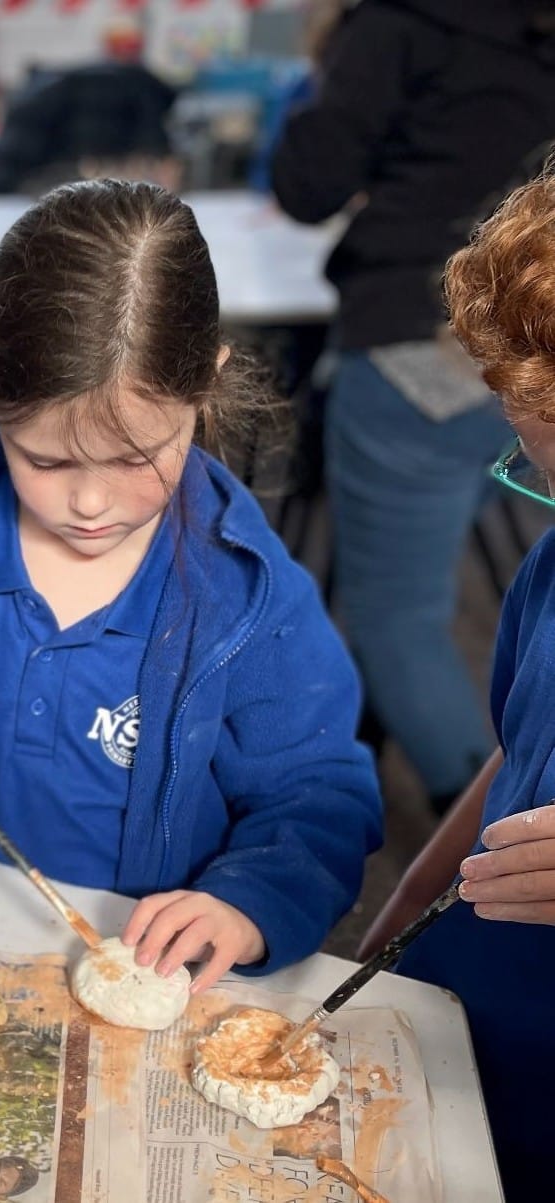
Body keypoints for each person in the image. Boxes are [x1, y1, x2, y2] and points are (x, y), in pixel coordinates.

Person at [0, 180, 382, 994]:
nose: (90, 502)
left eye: (136, 457)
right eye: (45, 459)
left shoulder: (248, 597)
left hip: (128, 962)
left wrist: (246, 904)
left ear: (205, 384)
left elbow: (319, 796)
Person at [269, 0, 555, 814]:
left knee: (396, 621)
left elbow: (306, 181)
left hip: (421, 342)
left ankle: (501, 838)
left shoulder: (398, 21)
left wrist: (330, 60)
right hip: (525, 335)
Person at [363, 169, 555, 1202]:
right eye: (543, 470)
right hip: (469, 1027)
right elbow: (519, 750)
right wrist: (407, 903)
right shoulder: (548, 573)